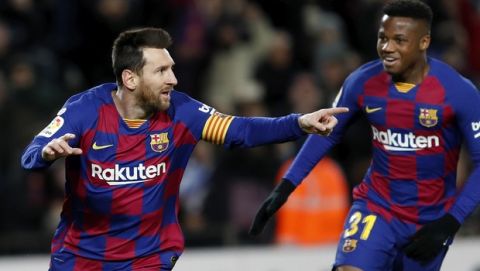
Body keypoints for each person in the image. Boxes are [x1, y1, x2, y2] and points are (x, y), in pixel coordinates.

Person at [20, 27, 348, 271]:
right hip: (80, 257)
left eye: (172, 68)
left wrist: (299, 123)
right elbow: (30, 155)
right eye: (161, 70)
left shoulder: (182, 112)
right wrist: (46, 154)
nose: (173, 79)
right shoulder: (84, 110)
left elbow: (240, 130)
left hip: (147, 258)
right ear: (130, 79)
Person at [249, 1, 480, 270]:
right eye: (383, 38)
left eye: (399, 40)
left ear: (424, 42)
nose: (387, 47)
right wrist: (286, 186)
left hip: (430, 220)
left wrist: (452, 221)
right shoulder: (362, 81)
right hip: (377, 207)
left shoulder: (459, 92)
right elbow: (327, 132)